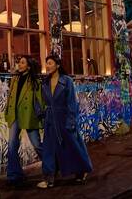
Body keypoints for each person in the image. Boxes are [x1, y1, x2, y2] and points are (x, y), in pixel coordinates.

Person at [37, 54, 93, 188]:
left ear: (57, 65)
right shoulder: (44, 82)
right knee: (49, 150)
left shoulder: (66, 81)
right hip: (51, 120)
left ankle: (82, 170)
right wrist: (41, 113)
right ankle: (49, 178)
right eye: (47, 63)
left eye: (50, 63)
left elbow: (71, 102)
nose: (48, 66)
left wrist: (71, 121)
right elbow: (41, 101)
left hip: (64, 118)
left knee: (73, 147)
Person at [4, 55, 45, 186]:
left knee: (37, 144)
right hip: (14, 114)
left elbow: (40, 101)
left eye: (22, 63)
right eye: (19, 62)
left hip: (29, 115)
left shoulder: (35, 80)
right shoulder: (15, 79)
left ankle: (52, 165)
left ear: (28, 66)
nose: (19, 65)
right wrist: (7, 111)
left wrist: (42, 116)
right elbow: (10, 96)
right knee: (12, 145)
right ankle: (14, 175)